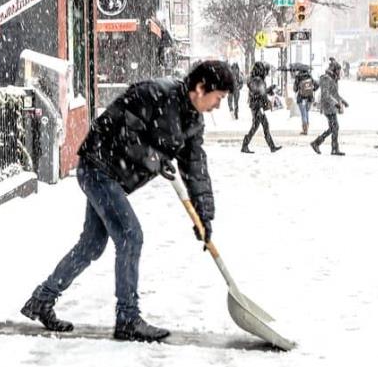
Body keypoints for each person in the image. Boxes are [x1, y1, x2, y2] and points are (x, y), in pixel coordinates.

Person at [20, 60, 234, 342]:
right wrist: (154, 158)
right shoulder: (154, 94)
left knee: (91, 245)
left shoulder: (192, 122)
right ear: (201, 87)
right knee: (130, 236)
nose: (218, 106)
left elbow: (196, 168)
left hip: (114, 179)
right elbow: (121, 130)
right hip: (98, 167)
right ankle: (128, 318)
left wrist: (204, 216)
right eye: (218, 98)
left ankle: (41, 300)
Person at [241, 62, 282, 154]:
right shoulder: (256, 80)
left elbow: (261, 92)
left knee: (263, 126)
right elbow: (259, 92)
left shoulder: (255, 79)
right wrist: (269, 90)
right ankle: (245, 145)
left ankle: (271, 147)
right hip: (257, 107)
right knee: (256, 127)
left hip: (257, 106)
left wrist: (268, 90)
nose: (265, 72)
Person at [311, 59, 348, 156]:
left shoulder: (333, 79)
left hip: (332, 106)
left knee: (333, 127)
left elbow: (335, 94)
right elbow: (325, 95)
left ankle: (318, 143)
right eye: (338, 70)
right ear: (334, 70)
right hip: (327, 106)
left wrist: (343, 101)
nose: (339, 73)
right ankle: (331, 148)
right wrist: (335, 103)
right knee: (334, 127)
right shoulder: (326, 79)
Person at [293, 68, 317, 135]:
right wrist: (312, 89)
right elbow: (317, 85)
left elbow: (295, 89)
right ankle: (307, 127)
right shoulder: (310, 76)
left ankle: (305, 130)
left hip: (301, 98)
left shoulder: (298, 77)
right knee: (306, 112)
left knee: (303, 113)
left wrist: (298, 86)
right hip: (309, 98)